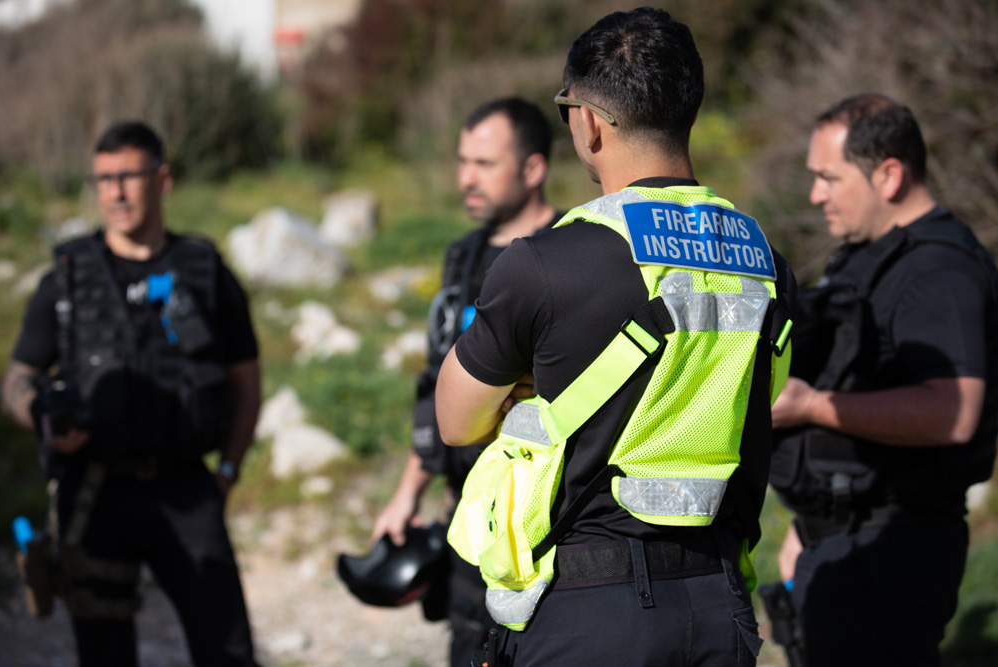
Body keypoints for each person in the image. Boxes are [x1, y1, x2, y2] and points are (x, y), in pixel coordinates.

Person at [436, 8, 795, 666]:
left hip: (587, 608)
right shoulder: (766, 261)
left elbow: (456, 420)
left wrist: (530, 388)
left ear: (588, 121)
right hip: (719, 602)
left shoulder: (543, 264)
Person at [0, 121, 262, 666]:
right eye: (103, 179)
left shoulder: (205, 270)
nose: (115, 192)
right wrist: (43, 418)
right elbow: (16, 380)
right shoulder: (67, 278)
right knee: (105, 656)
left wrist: (229, 472)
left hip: (188, 489)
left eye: (128, 176)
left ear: (162, 179)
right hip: (95, 494)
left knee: (228, 649)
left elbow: (246, 381)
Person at [769, 94, 998, 667]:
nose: (817, 194)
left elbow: (954, 409)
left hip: (892, 553)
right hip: (845, 541)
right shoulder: (870, 255)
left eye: (829, 177)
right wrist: (811, 528)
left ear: (889, 174)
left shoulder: (938, 272)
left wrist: (813, 407)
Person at [369, 98, 559, 667]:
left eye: (483, 163)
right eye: (461, 161)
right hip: (467, 522)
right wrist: (408, 492)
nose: (465, 179)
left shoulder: (570, 252)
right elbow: (436, 384)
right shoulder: (464, 255)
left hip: (545, 528)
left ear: (533, 168)